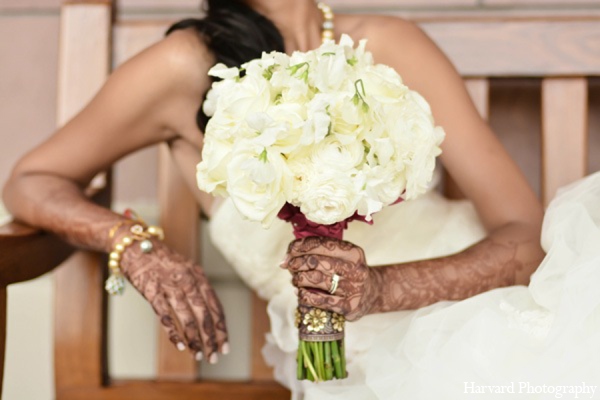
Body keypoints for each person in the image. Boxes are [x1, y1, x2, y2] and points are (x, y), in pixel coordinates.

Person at [3, 0, 599, 398]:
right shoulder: (187, 65)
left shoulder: (391, 42)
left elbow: (525, 234)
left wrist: (386, 288)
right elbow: (32, 180)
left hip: (491, 302)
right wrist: (134, 245)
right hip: (352, 358)